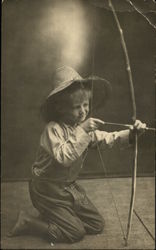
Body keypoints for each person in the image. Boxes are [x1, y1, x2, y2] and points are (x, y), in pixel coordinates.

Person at [8, 66, 147, 243]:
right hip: (47, 190)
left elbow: (107, 139)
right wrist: (82, 130)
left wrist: (132, 134)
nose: (83, 111)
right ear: (60, 108)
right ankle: (28, 222)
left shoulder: (82, 129)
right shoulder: (53, 130)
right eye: (76, 107)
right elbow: (63, 157)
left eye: (85, 105)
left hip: (67, 188)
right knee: (75, 233)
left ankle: (58, 216)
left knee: (96, 225)